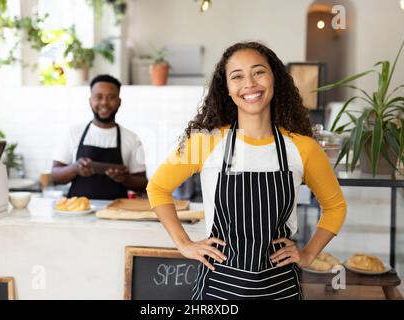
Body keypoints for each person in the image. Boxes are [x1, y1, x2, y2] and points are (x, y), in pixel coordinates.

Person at [146, 42, 347, 300]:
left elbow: (336, 206)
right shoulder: (205, 143)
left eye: (259, 72)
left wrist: (308, 254)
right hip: (219, 287)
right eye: (237, 76)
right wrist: (184, 244)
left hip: (280, 287)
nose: (249, 83)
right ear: (227, 88)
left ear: (275, 78)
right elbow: (158, 188)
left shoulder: (303, 148)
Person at [52, 74, 148, 200]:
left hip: (117, 213)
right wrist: (75, 168)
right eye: (98, 97)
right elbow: (54, 176)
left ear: (119, 102)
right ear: (90, 101)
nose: (104, 103)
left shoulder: (132, 139)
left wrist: (125, 178)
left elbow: (143, 184)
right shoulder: (73, 133)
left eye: (111, 97)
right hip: (77, 213)